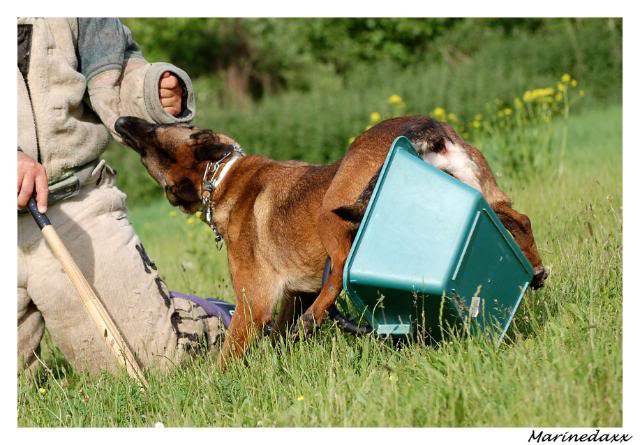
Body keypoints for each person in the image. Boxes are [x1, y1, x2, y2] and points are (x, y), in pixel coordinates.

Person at [17, 18, 226, 375]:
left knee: (153, 363)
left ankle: (226, 317)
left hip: (72, 204)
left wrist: (151, 92)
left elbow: (113, 76)